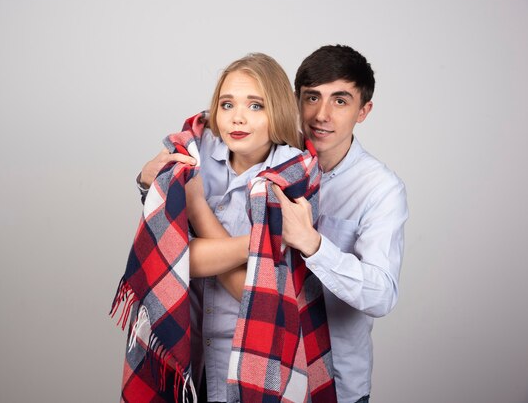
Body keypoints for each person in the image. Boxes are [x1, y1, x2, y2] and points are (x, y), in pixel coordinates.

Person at [138, 45, 408, 403]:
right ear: (292, 101)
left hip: (333, 377)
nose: (322, 115)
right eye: (312, 98)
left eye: (340, 101)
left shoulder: (378, 188)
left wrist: (312, 245)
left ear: (363, 111)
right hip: (229, 366)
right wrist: (149, 184)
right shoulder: (265, 161)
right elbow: (176, 255)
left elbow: (380, 295)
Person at [129, 53, 336, 402]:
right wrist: (258, 245)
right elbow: (170, 258)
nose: (237, 117)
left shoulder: (294, 179)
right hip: (185, 349)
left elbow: (253, 294)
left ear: (279, 111)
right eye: (227, 104)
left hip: (252, 357)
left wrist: (195, 209)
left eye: (256, 106)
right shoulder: (192, 157)